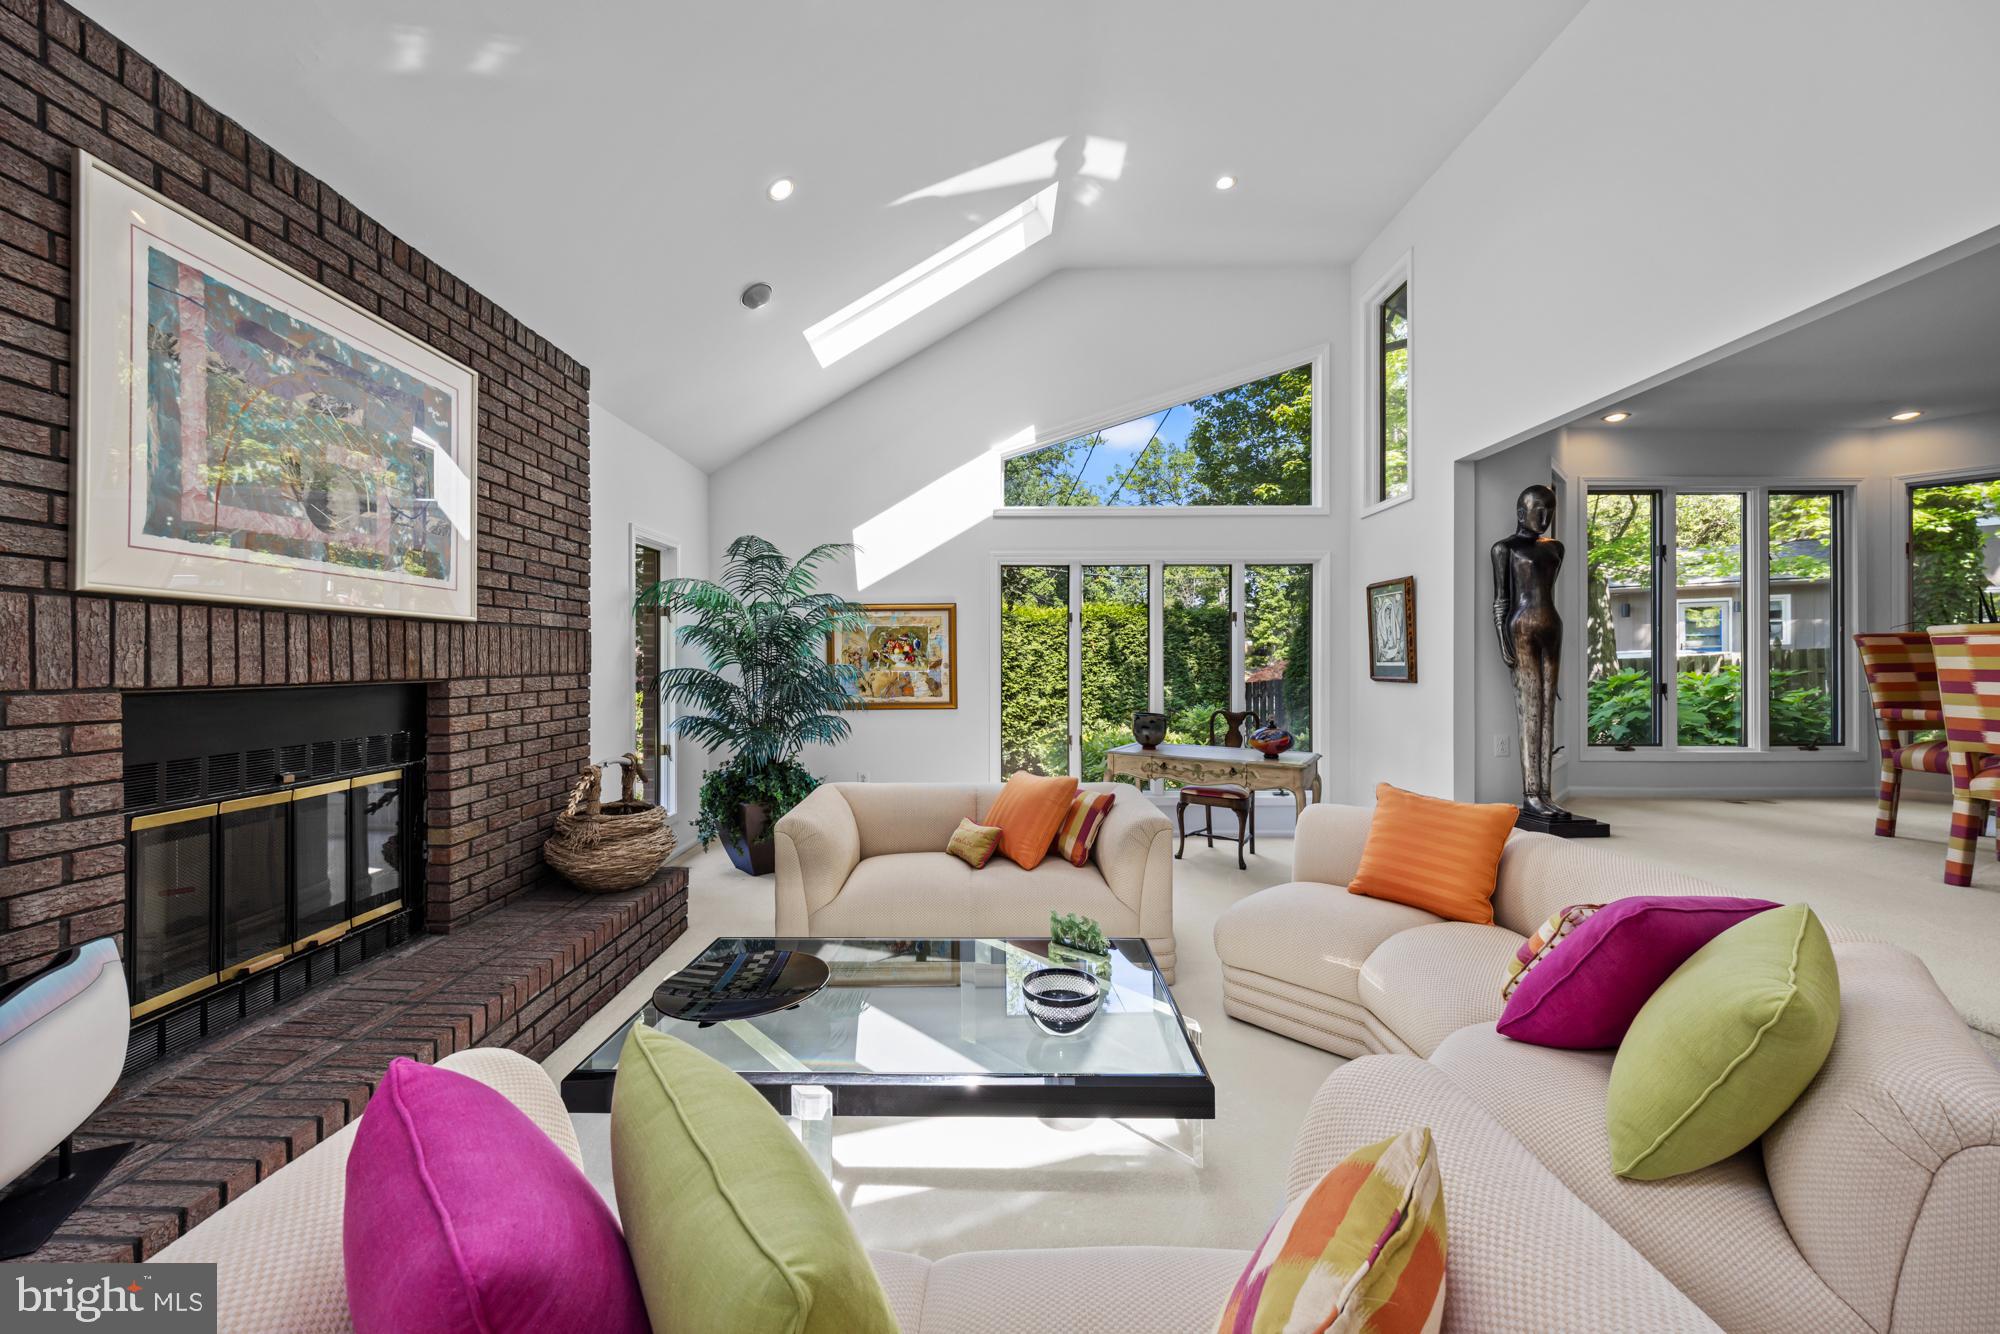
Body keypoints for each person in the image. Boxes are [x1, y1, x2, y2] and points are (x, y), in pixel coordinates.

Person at [1490, 484, 1572, 818]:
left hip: (1552, 625)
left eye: (1550, 510)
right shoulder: (1504, 549)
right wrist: (1502, 640)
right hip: (1520, 626)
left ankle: (1546, 792)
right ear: (1521, 511)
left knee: (1549, 709)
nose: (1545, 516)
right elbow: (1501, 600)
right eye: (1538, 509)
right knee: (1530, 710)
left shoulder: (1556, 548)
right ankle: (1530, 793)